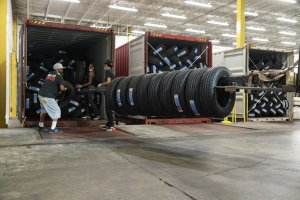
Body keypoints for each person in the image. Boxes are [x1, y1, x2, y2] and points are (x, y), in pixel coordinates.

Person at [38, 63, 67, 134]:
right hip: (48, 97)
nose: (62, 70)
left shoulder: (49, 74)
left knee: (43, 111)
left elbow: (51, 83)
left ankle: (40, 125)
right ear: (57, 69)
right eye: (61, 68)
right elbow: (62, 88)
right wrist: (65, 89)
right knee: (57, 111)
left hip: (41, 95)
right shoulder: (59, 76)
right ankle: (53, 129)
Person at [98, 59, 115, 131]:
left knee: (108, 108)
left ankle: (111, 125)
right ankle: (109, 123)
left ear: (107, 66)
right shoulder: (110, 72)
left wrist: (101, 84)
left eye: (105, 65)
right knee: (108, 107)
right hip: (110, 91)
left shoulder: (108, 71)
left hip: (109, 91)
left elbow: (108, 81)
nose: (104, 66)